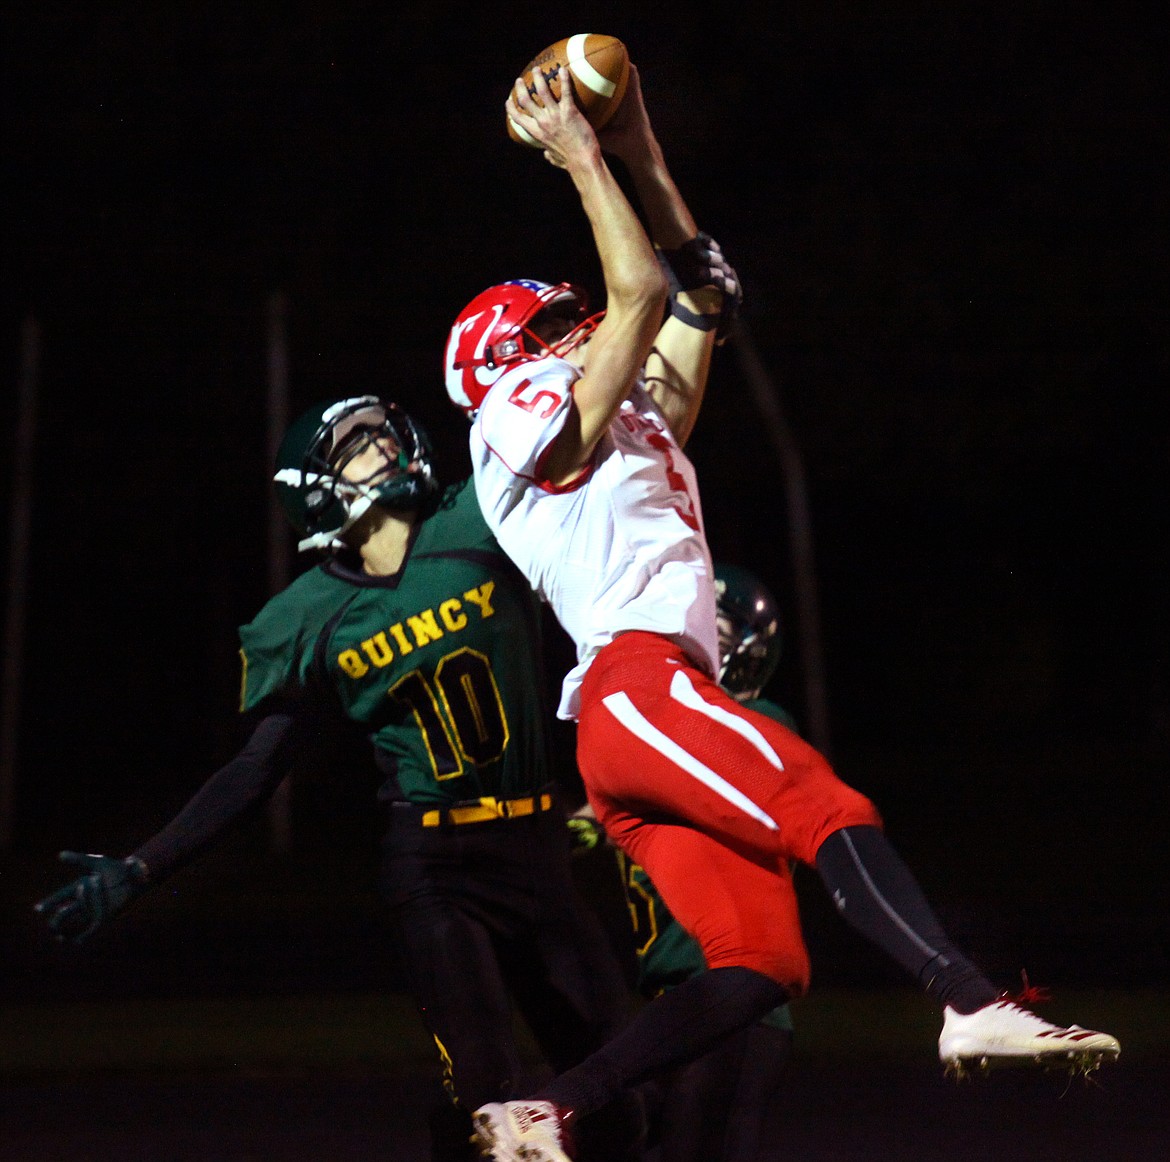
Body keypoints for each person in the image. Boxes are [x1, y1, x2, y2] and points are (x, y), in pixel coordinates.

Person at [441, 59, 1120, 1162]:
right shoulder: (510, 416)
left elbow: (696, 289)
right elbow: (642, 298)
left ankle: (546, 1111)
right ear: (510, 361)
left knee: (764, 964)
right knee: (820, 795)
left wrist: (640, 143)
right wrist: (579, 161)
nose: (578, 324)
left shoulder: (622, 422)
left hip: (647, 703)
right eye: (555, 322)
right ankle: (967, 997)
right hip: (634, 681)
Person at [33, 396, 643, 1162]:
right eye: (355, 444)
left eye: (381, 431)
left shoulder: (477, 517)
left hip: (537, 848)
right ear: (314, 484)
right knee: (491, 1107)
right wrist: (142, 865)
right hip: (437, 869)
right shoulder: (307, 616)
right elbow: (256, 769)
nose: (381, 445)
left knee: (618, 1096)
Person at [569, 563, 797, 1162]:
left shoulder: (762, 722)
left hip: (734, 1003)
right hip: (676, 1007)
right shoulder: (658, 732)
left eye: (710, 626)